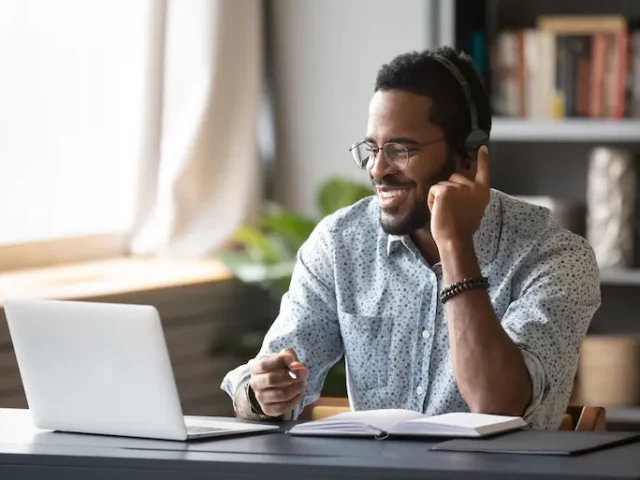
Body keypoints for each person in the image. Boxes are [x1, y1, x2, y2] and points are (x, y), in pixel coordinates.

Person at [220, 46, 601, 430]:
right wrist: (260, 393)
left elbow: (496, 404)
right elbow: (265, 382)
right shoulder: (340, 244)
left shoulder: (555, 256)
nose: (378, 169)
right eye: (372, 148)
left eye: (401, 150)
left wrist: (454, 244)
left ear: (469, 155)